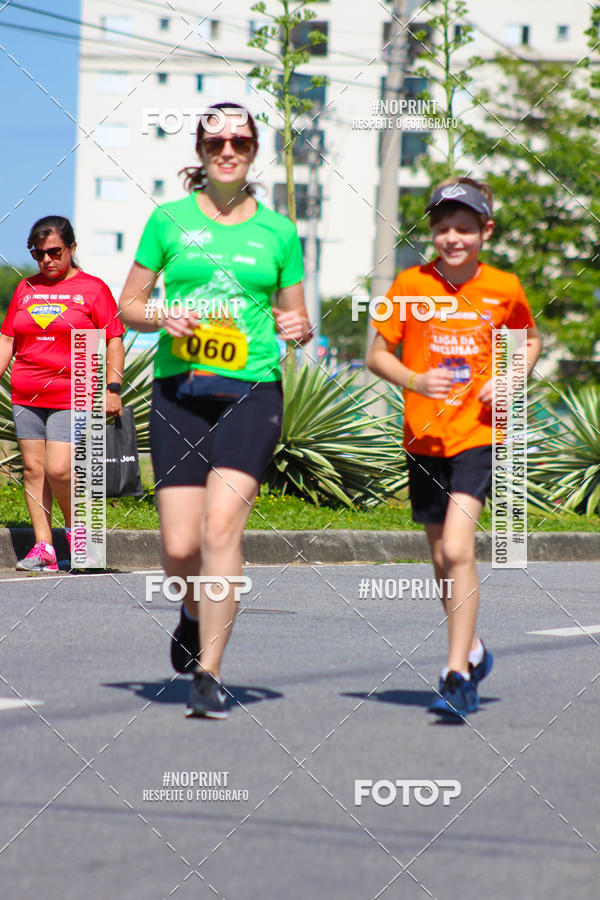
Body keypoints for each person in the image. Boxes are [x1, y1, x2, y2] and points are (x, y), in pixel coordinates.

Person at [118, 102, 311, 719]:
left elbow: (296, 317)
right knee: (178, 547)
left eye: (241, 142)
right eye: (217, 141)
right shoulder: (168, 221)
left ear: (254, 152)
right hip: (180, 389)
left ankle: (210, 672)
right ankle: (193, 606)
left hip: (253, 389)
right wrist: (160, 315)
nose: (229, 150)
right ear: (200, 153)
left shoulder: (279, 231)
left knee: (222, 527)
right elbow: (129, 305)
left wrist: (299, 326)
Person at [367, 176, 541, 719]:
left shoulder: (504, 286)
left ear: (485, 231)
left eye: (464, 228)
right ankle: (473, 648)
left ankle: (455, 672)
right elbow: (377, 355)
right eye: (442, 228)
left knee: (460, 548)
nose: (452, 238)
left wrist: (512, 375)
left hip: (478, 434)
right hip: (424, 437)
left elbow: (529, 339)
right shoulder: (409, 285)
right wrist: (415, 381)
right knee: (443, 556)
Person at [0, 215, 124, 572]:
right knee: (34, 469)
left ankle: (76, 533)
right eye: (38, 254)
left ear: (71, 248)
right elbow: (8, 338)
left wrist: (113, 387)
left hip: (74, 391)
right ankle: (44, 549)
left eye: (54, 252)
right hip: (26, 392)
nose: (46, 261)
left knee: (59, 469)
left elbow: (114, 338)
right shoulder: (26, 288)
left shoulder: (94, 289)